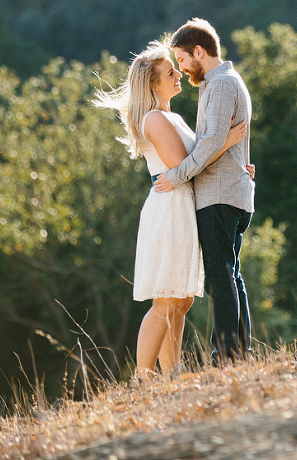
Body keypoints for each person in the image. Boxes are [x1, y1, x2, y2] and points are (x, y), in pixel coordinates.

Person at [95, 41, 247, 379]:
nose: (179, 74)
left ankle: (172, 370)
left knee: (181, 298)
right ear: (153, 84)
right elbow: (182, 164)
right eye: (170, 72)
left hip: (182, 204)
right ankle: (144, 377)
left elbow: (197, 161)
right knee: (166, 299)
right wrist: (227, 143)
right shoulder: (155, 119)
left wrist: (232, 165)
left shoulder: (171, 117)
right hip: (170, 208)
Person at [153, 18, 255, 364]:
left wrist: (176, 176)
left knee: (221, 278)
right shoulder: (220, 82)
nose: (182, 68)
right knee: (231, 275)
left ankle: (225, 354)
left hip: (220, 195)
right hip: (229, 190)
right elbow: (217, 142)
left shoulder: (222, 84)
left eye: (182, 59)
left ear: (199, 51)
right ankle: (239, 352)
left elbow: (210, 142)